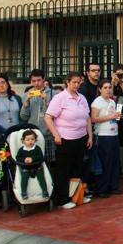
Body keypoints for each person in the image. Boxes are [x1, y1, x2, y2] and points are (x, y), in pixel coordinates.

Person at [44, 71, 93, 209]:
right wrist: (56, 134)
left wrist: (90, 135)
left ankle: (77, 195)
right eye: (74, 82)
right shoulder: (60, 98)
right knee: (64, 169)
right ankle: (63, 199)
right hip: (66, 139)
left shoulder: (82, 98)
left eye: (79, 82)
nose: (76, 85)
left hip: (81, 137)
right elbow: (48, 117)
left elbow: (87, 117)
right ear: (67, 82)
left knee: (78, 168)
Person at [0, 75, 23, 208]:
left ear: (7, 84)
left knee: (17, 165)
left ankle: (18, 193)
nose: (1, 85)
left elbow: (21, 117)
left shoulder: (17, 98)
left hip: (17, 138)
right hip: (0, 139)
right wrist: (5, 131)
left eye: (3, 82)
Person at [90, 79, 122, 198]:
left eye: (109, 87)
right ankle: (102, 188)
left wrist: (116, 116)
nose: (108, 90)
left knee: (114, 161)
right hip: (103, 135)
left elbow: (113, 116)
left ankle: (113, 186)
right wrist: (110, 117)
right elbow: (93, 119)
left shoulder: (112, 102)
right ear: (100, 89)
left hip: (113, 133)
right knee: (105, 162)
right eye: (105, 87)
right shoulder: (97, 102)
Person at [20, 69, 55, 165]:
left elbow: (56, 115)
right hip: (33, 135)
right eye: (33, 81)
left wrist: (46, 101)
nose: (36, 83)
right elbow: (23, 117)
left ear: (44, 79)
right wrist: (26, 104)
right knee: (35, 163)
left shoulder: (54, 94)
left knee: (49, 164)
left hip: (49, 134)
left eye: (38, 80)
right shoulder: (26, 95)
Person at [16, 129, 49, 199]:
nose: (30, 141)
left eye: (32, 139)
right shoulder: (21, 150)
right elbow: (18, 158)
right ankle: (23, 192)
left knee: (41, 178)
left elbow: (40, 157)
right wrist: (24, 159)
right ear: (23, 140)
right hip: (26, 168)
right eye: (28, 139)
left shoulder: (37, 149)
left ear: (35, 140)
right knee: (24, 179)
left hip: (37, 167)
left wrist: (32, 159)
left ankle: (45, 191)